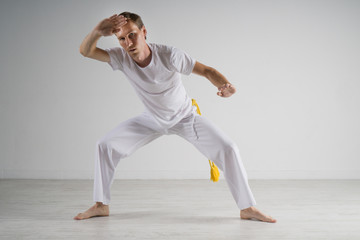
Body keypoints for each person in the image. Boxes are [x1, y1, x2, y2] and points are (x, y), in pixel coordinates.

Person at [74, 12, 276, 223]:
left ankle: (247, 208)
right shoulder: (121, 57)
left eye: (132, 35)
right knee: (104, 145)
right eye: (122, 38)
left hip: (185, 117)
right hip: (150, 119)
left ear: (144, 32)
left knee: (228, 148)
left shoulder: (169, 55)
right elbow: (85, 51)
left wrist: (224, 85)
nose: (128, 43)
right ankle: (100, 205)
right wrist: (97, 31)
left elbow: (207, 70)